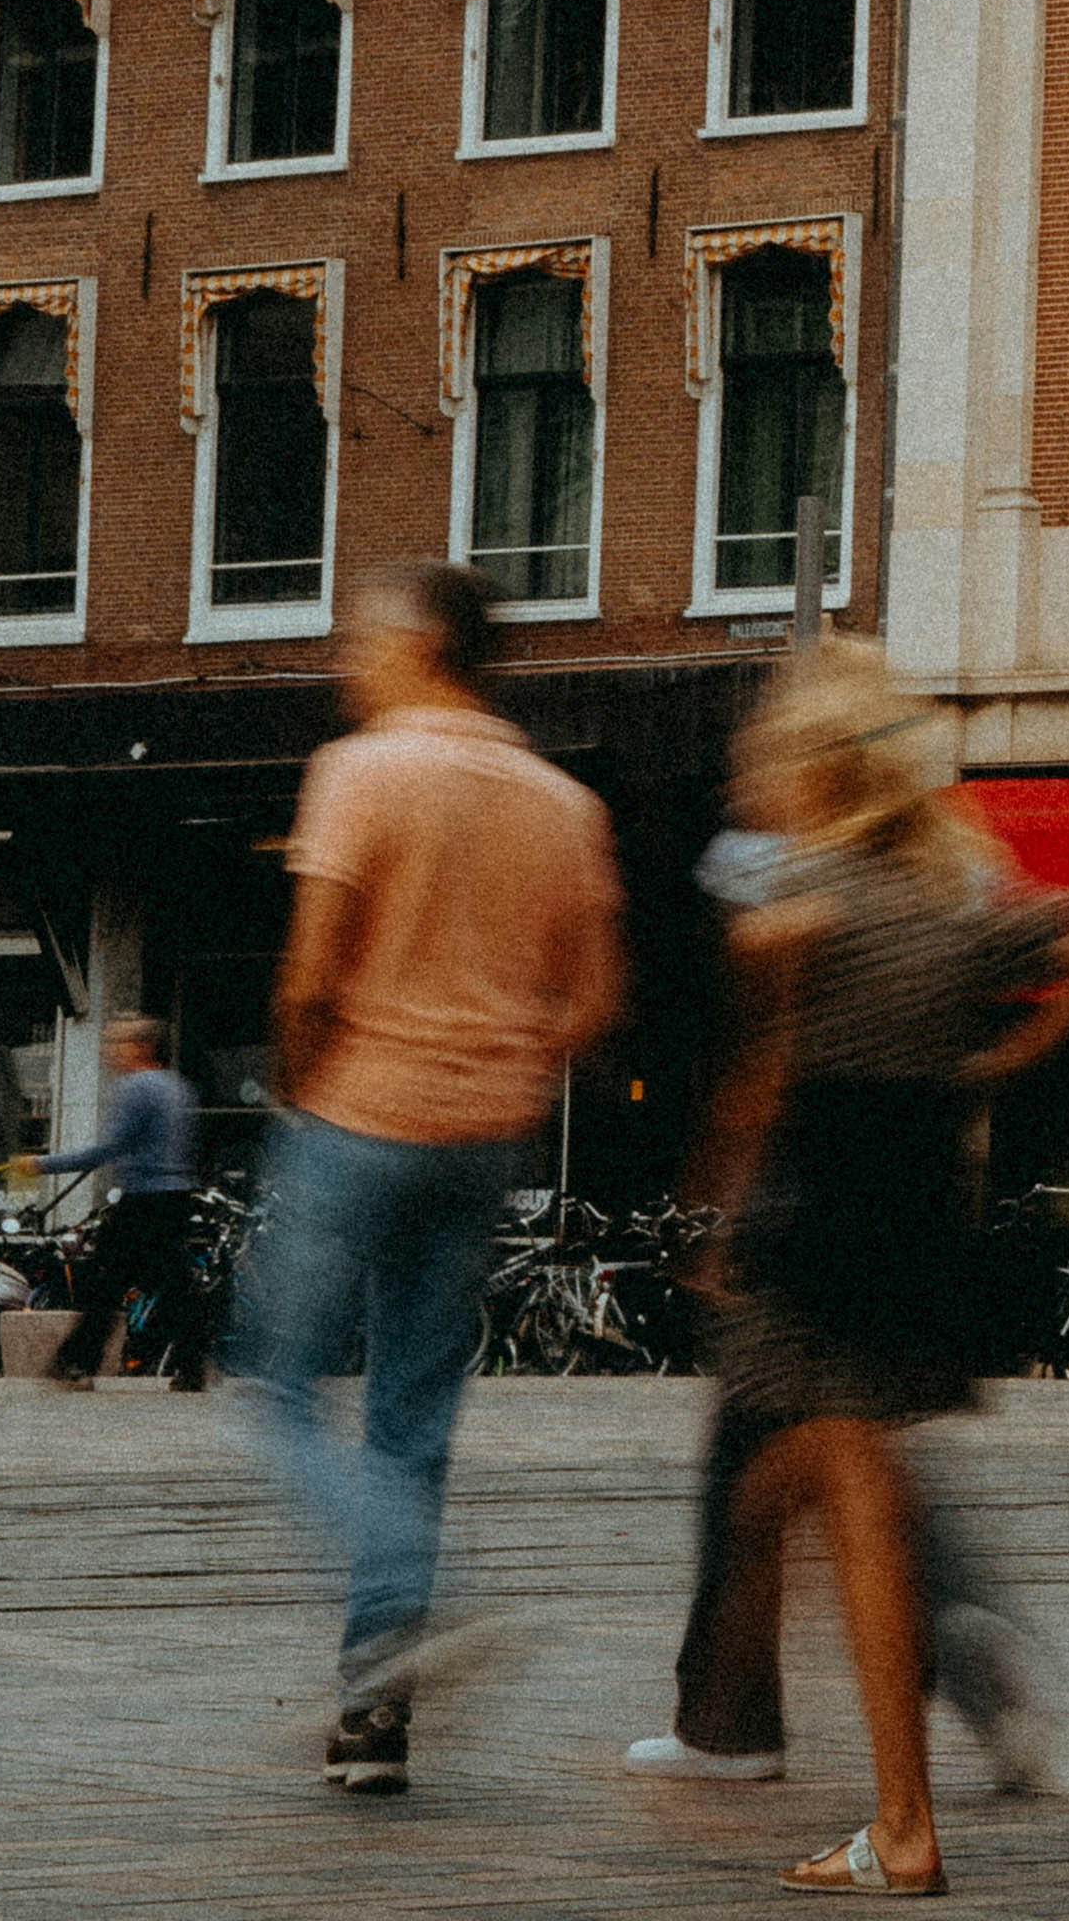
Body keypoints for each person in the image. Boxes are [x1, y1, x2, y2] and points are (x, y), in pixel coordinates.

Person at [690, 643, 1069, 1898]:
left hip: (815, 1218)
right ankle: (846, 1767)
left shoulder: (801, 896)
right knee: (817, 1486)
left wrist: (717, 1216)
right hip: (922, 1217)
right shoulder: (960, 896)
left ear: (821, 767)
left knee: (850, 1508)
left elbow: (760, 1078)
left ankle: (898, 1822)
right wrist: (1005, 1059)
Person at [229, 560, 630, 1800]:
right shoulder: (565, 802)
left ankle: (418, 1598)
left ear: (424, 644)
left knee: (276, 1381)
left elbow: (308, 974)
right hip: (484, 1140)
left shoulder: (361, 770)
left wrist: (305, 1093)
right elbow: (602, 994)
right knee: (414, 1418)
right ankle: (374, 1716)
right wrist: (512, 1066)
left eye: (367, 634)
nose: (350, 655)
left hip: (359, 1112)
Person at [32, 1017, 212, 1389]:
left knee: (104, 1281)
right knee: (173, 1283)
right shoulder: (178, 1087)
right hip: (176, 1197)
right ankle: (193, 1365)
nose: (109, 1051)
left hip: (144, 1199)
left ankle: (77, 1363)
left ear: (141, 1047)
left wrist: (43, 1164)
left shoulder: (137, 1087)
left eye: (118, 1043)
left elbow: (110, 1148)